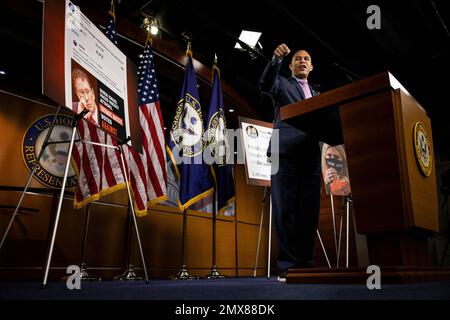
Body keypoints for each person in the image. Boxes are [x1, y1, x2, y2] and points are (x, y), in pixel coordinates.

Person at [260, 44, 321, 282]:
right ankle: (287, 265)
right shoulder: (283, 84)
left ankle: (305, 263)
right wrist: (274, 59)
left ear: (312, 66)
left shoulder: (317, 95)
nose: (302, 61)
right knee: (286, 211)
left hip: (310, 158)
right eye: (297, 59)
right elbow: (265, 85)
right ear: (291, 65)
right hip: (283, 153)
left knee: (309, 212)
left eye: (306, 59)